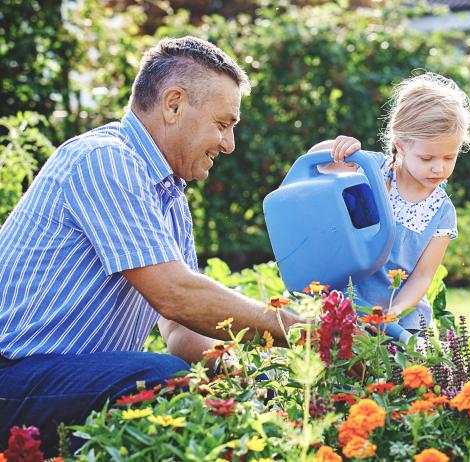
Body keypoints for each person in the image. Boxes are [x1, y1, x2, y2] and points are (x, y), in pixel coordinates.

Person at [0, 36, 305, 454]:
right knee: (161, 376)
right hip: (12, 377)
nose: (229, 144)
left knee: (187, 376)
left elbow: (179, 330)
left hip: (53, 379)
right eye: (223, 124)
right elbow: (175, 296)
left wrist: (236, 368)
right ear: (174, 104)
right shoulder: (105, 159)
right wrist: (299, 329)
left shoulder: (169, 199)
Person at [308, 72, 470, 341]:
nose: (439, 167)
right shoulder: (371, 169)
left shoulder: (442, 212)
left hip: (401, 322)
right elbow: (316, 164)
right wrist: (337, 147)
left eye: (449, 157)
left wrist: (393, 312)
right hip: (347, 308)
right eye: (427, 157)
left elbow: (422, 276)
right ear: (401, 145)